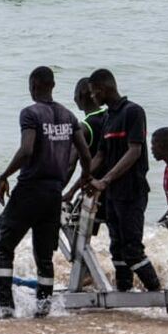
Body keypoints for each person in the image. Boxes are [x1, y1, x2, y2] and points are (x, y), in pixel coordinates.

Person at [0, 66, 90, 318]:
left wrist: (5, 174)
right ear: (53, 85)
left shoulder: (30, 113)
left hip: (30, 188)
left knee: (4, 245)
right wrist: (86, 180)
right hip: (53, 193)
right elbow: (85, 155)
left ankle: (6, 308)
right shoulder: (70, 117)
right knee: (44, 256)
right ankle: (43, 310)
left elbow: (27, 150)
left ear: (34, 85)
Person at [72, 68, 162, 292]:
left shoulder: (133, 112)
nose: (93, 97)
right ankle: (124, 293)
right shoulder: (109, 118)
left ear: (103, 89)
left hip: (132, 192)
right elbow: (100, 156)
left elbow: (134, 151)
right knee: (117, 248)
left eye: (94, 92)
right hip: (112, 194)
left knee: (132, 249)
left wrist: (106, 180)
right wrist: (80, 182)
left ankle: (156, 292)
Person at [71, 76, 108, 235]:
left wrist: (67, 191)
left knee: (78, 233)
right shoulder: (110, 115)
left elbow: (70, 164)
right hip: (113, 187)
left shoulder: (84, 127)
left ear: (80, 96)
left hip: (94, 190)